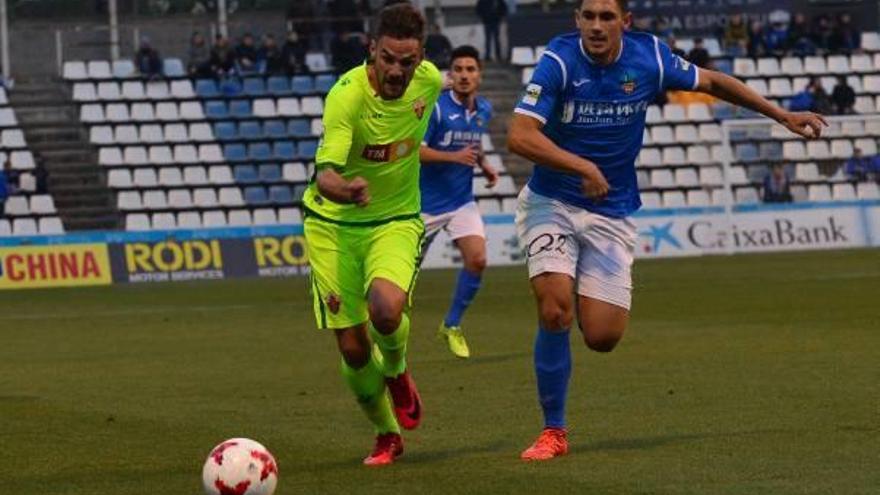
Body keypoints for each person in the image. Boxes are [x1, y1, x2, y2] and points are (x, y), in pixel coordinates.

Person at [507, 0, 827, 462]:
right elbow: (519, 136)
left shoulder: (650, 57)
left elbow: (714, 81)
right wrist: (581, 165)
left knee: (602, 336)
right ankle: (553, 430)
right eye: (588, 16)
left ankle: (571, 283)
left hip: (611, 210)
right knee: (554, 310)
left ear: (625, 23)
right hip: (551, 201)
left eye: (607, 17)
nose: (596, 26)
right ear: (576, 20)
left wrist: (781, 115)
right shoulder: (558, 61)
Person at [302, 3, 442, 466]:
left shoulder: (432, 83)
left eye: (408, 61)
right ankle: (387, 434)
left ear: (421, 57)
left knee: (386, 310)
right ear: (372, 50)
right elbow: (324, 174)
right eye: (388, 59)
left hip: (395, 221)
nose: (398, 70)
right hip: (333, 226)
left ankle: (398, 372)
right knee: (353, 347)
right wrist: (345, 188)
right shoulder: (345, 96)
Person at [419, 45, 499, 359]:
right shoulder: (436, 109)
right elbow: (416, 151)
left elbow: (471, 143)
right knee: (402, 281)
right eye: (458, 69)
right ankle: (384, 336)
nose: (464, 75)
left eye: (470, 69)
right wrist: (454, 157)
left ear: (479, 76)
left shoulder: (484, 110)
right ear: (450, 75)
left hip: (462, 202)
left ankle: (451, 325)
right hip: (424, 205)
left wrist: (484, 164)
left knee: (477, 260)